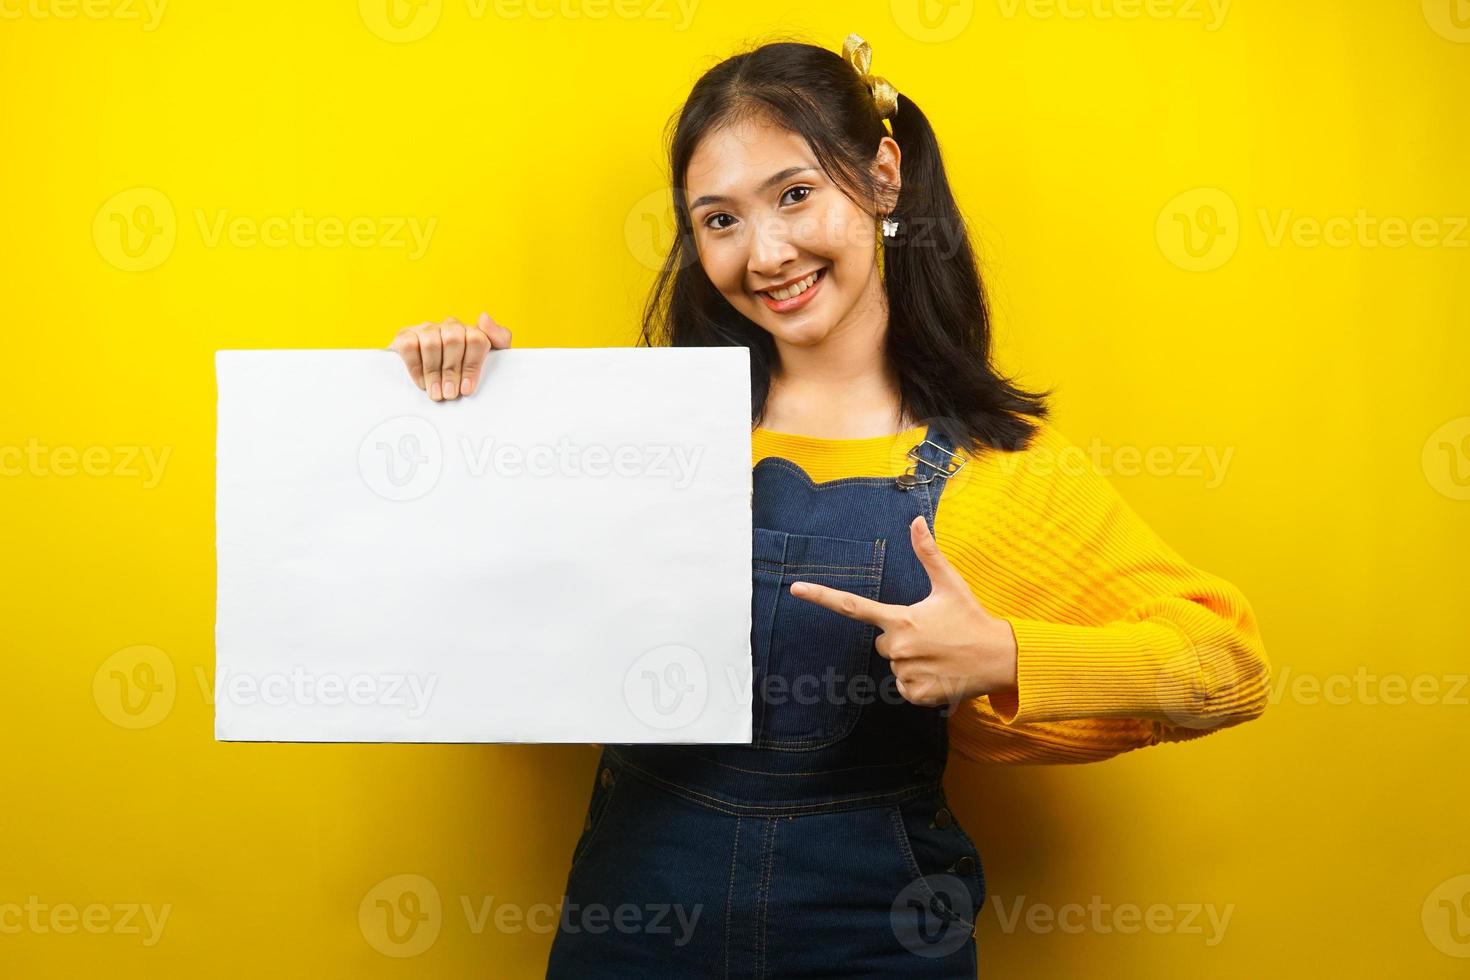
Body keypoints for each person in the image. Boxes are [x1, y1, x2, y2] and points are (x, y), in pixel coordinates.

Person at [387, 32, 1270, 978]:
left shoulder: (995, 468)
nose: (765, 254)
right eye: (718, 220)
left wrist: (1007, 656)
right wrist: (463, 414)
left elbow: (1228, 664)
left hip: (876, 947)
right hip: (632, 940)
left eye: (795, 194)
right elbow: (491, 618)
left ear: (883, 178)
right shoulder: (639, 439)